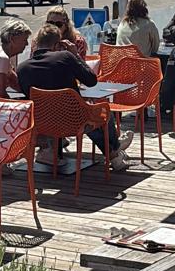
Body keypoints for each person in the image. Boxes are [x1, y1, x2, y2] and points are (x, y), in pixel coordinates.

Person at [17, 26, 134, 169]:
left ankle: (114, 153)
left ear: (36, 43)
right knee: (102, 112)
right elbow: (91, 80)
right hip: (73, 120)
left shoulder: (22, 68)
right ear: (57, 45)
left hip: (43, 123)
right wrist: (75, 54)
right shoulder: (65, 57)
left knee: (89, 116)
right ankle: (115, 150)